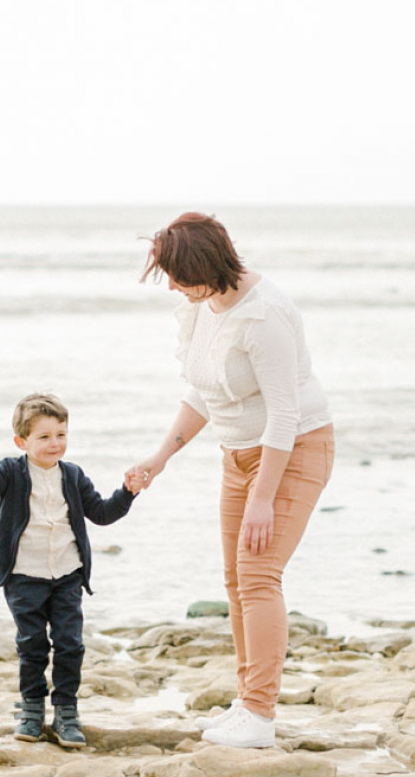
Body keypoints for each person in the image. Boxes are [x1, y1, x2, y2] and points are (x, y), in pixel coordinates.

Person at [124, 212, 334, 748]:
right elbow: (203, 394)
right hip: (237, 456)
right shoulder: (203, 309)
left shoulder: (262, 317)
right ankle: (245, 703)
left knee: (259, 576)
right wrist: (160, 457)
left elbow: (284, 414)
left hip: (294, 451)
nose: (170, 285)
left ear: (205, 266)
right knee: (235, 581)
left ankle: (260, 716)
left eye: (176, 274)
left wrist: (264, 497)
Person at [0, 392, 138, 747]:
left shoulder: (72, 475)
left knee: (70, 643)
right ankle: (32, 709)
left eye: (61, 435)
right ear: (21, 441)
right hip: (24, 575)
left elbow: (100, 513)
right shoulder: (10, 471)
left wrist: (127, 492)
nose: (55, 443)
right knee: (32, 644)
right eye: (44, 437)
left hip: (67, 573)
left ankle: (66, 711)